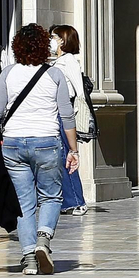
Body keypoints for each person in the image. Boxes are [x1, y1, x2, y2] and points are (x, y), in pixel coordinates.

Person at [0, 24, 79, 275]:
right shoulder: (54, 75)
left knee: (23, 202)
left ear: (17, 47)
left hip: (13, 142)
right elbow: (66, 115)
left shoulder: (8, 73)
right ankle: (43, 240)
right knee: (51, 196)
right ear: (43, 47)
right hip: (46, 141)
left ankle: (28, 259)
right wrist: (74, 148)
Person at [49, 25, 91, 217]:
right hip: (54, 114)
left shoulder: (68, 61)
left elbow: (79, 92)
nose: (51, 40)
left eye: (54, 37)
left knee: (68, 157)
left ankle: (77, 200)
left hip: (63, 115)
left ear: (63, 40)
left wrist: (77, 118)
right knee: (59, 158)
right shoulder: (58, 62)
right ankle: (66, 200)